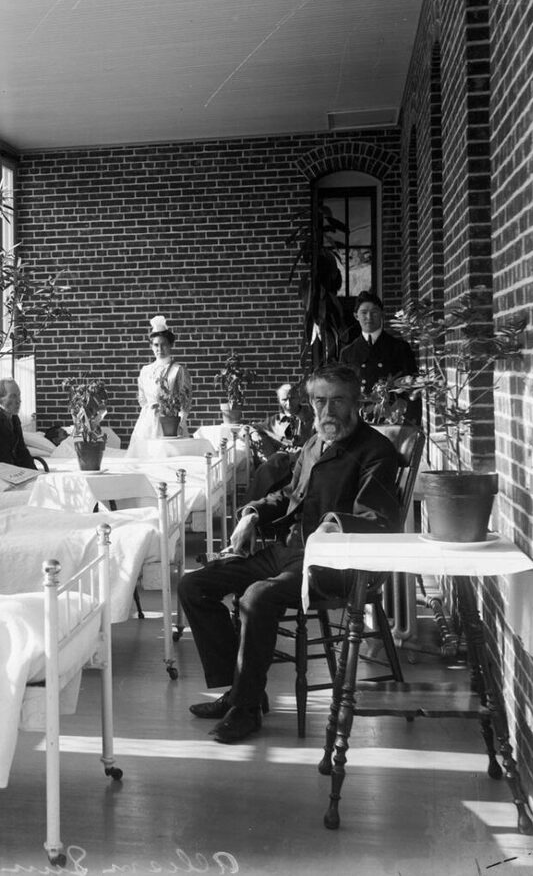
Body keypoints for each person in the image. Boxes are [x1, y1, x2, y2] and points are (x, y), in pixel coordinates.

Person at [176, 363, 400, 744]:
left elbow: (378, 520)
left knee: (257, 596)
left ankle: (244, 709)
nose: (327, 411)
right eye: (319, 401)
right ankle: (240, 689)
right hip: (290, 551)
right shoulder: (315, 442)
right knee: (193, 586)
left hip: (336, 563)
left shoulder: (375, 451)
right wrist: (250, 515)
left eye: (337, 401)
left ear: (357, 402)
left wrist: (333, 523)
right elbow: (288, 496)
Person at [339, 290, 419, 422]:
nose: (369, 317)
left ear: (382, 314)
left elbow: (412, 393)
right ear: (356, 316)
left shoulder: (400, 348)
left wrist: (411, 427)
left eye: (374, 312)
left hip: (393, 423)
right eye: (364, 312)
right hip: (359, 424)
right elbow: (342, 394)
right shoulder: (347, 353)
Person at [126, 315, 191, 457]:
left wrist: (180, 422)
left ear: (170, 345)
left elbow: (185, 401)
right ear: (151, 346)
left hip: (170, 422)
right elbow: (142, 399)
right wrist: (149, 413)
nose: (160, 348)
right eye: (156, 345)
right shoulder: (145, 370)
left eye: (164, 344)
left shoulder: (178, 370)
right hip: (147, 423)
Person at [245, 382, 315, 500]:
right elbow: (248, 428)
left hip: (307, 456)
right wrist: (253, 433)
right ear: (279, 400)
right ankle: (248, 509)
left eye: (292, 398)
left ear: (299, 397)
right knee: (267, 468)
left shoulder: (313, 416)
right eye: (284, 400)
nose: (288, 403)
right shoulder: (273, 422)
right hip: (284, 460)